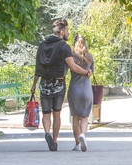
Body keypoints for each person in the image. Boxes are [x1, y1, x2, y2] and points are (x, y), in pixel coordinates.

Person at [30, 19, 92, 151]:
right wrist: (86, 72)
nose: (68, 33)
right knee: (56, 113)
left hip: (44, 84)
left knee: (46, 113)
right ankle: (54, 141)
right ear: (62, 31)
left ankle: (47, 133)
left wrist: (34, 84)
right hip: (58, 84)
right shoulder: (64, 46)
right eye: (67, 30)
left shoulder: (42, 45)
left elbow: (38, 68)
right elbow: (72, 66)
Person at [68, 35, 94, 151]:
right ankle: (83, 134)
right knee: (84, 117)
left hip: (75, 88)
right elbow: (90, 72)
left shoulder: (71, 56)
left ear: (75, 43)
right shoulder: (90, 57)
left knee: (75, 118)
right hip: (87, 89)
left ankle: (77, 144)